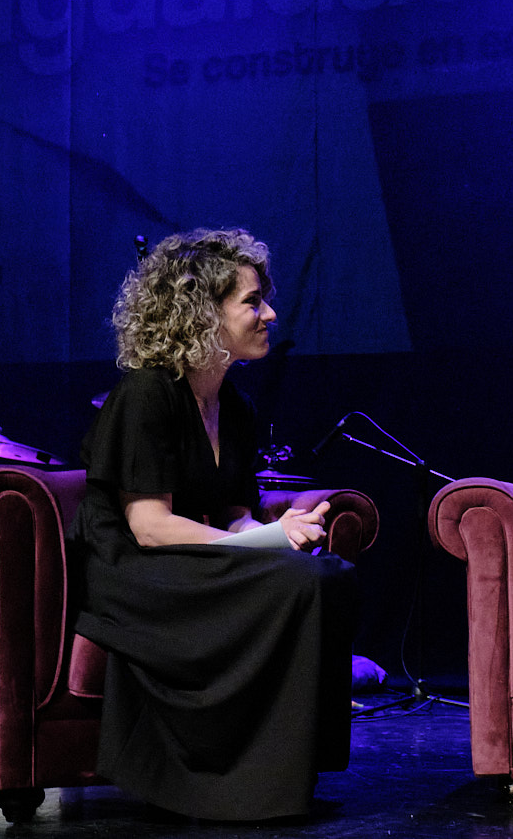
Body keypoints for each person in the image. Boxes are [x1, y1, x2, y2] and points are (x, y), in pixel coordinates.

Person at [75, 228, 359, 822]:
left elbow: (234, 513)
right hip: (134, 573)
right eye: (252, 302)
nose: (269, 314)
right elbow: (149, 527)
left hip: (182, 558)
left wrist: (281, 531)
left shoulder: (234, 405)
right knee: (296, 580)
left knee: (328, 574)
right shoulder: (148, 394)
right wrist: (262, 544)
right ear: (202, 314)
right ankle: (227, 784)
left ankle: (283, 774)